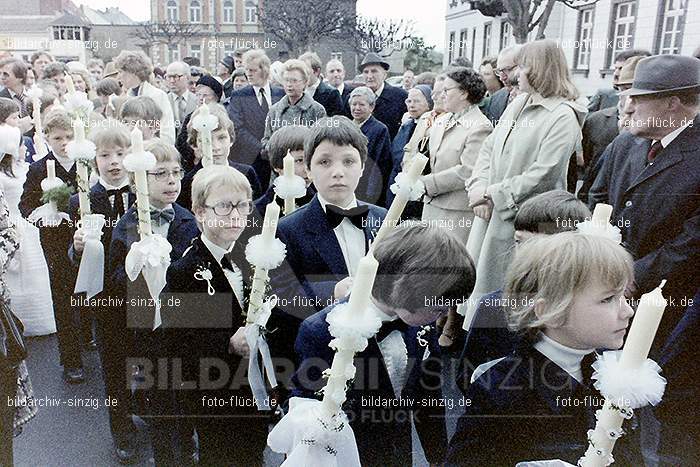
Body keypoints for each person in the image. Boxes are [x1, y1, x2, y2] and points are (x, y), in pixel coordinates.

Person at [292, 222, 475, 466]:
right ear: (405, 288)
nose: (442, 316)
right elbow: (305, 405)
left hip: (398, 453)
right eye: (437, 307)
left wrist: (438, 458)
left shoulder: (420, 324)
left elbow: (428, 398)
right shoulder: (322, 331)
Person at [446, 232, 637, 466]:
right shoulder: (502, 391)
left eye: (624, 296)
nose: (628, 311)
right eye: (607, 299)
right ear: (550, 312)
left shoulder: (608, 374)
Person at [588, 54, 699, 351]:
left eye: (638, 97)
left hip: (666, 306)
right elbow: (596, 198)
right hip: (604, 286)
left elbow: (691, 243)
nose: (627, 106)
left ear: (671, 103)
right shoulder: (625, 143)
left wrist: (631, 275)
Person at [160, 165, 269, 465]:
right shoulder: (184, 270)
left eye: (242, 205)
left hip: (254, 385)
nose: (235, 215)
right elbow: (178, 338)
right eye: (223, 206)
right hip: (214, 390)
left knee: (254, 450)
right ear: (199, 212)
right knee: (221, 454)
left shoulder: (254, 256)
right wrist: (228, 344)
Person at [466, 39, 587, 305]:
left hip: (526, 221)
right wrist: (478, 186)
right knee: (479, 289)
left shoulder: (562, 115)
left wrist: (491, 194)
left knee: (510, 295)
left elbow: (544, 173)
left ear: (541, 69)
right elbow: (489, 147)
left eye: (522, 67)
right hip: (491, 212)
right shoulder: (518, 103)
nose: (514, 74)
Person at [108, 139, 199, 466]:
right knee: (159, 396)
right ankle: (163, 453)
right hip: (147, 330)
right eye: (161, 174)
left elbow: (199, 270)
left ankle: (187, 442)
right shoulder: (126, 226)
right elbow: (114, 279)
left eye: (176, 172)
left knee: (187, 390)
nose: (172, 180)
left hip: (184, 324)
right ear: (138, 181)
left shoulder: (187, 220)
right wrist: (135, 267)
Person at [457, 190, 590, 389]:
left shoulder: (590, 309)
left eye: (539, 245)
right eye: (519, 242)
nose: (526, 255)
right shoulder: (494, 306)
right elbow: (468, 375)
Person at [271, 116, 387, 325]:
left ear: (362, 167)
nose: (338, 173)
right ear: (308, 170)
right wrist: (331, 291)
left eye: (348, 161)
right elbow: (282, 295)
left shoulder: (383, 218)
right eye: (324, 162)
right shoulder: (288, 229)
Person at [67, 122, 137, 463]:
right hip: (108, 300)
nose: (113, 161)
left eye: (121, 154)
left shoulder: (143, 193)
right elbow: (74, 255)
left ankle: (155, 419)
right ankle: (121, 430)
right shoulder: (82, 199)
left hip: (146, 294)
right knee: (114, 366)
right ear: (92, 159)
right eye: (105, 154)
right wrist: (77, 247)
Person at [19, 109, 85, 383]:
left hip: (86, 239)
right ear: (46, 137)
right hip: (56, 243)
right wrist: (44, 214)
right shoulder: (38, 169)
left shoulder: (85, 164)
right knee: (63, 297)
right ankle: (71, 359)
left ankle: (88, 337)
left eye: (69, 136)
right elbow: (25, 205)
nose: (64, 142)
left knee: (88, 294)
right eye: (58, 137)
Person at [422, 67, 492, 244]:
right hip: (431, 205)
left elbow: (468, 171)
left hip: (456, 211)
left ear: (463, 93)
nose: (441, 95)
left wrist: (425, 184)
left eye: (446, 90)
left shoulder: (480, 126)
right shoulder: (442, 120)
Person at [0, 123, 55, 337]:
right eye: (22, 145)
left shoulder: (24, 168)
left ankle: (41, 319)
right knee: (19, 275)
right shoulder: (4, 176)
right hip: (12, 223)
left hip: (27, 224)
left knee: (36, 274)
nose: (25, 149)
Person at [578, 55, 644, 202]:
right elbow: (587, 165)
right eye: (625, 90)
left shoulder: (654, 132)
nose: (629, 100)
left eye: (635, 92)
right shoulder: (596, 121)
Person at [177, 103, 261, 209]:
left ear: (231, 139)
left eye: (222, 138)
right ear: (195, 144)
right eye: (207, 140)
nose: (216, 147)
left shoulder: (247, 173)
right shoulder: (188, 182)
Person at [227, 49, 285, 190]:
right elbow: (237, 128)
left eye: (252, 70)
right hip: (251, 159)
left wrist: (276, 148)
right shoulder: (239, 95)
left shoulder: (280, 93)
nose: (248, 74)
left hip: (278, 158)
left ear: (264, 70)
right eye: (247, 70)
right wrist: (263, 148)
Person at [261, 59, 326, 151]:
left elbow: (321, 142)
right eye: (286, 80)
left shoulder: (317, 110)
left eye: (294, 81)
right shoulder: (275, 110)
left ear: (304, 82)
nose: (289, 85)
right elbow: (266, 140)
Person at [114, 50, 175, 144]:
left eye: (120, 72)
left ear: (132, 71)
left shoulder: (157, 95)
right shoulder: (127, 96)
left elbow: (167, 132)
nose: (118, 77)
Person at [386, 84, 432, 207]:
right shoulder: (406, 125)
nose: (411, 105)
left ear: (428, 103)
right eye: (409, 101)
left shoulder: (431, 127)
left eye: (417, 101)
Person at [254, 124, 315, 217]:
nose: (307, 168)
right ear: (278, 166)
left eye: (311, 159)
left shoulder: (320, 203)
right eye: (299, 160)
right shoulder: (260, 209)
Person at [348, 86, 392, 207]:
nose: (357, 108)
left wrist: (371, 193)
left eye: (361, 104)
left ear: (371, 107)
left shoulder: (379, 129)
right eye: (354, 104)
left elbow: (380, 164)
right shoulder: (346, 127)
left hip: (366, 187)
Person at [359, 52, 408, 139]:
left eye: (374, 71)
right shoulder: (356, 97)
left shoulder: (400, 96)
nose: (369, 76)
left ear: (384, 75)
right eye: (366, 72)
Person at [587, 49, 651, 113]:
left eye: (621, 69)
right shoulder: (604, 95)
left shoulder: (650, 100)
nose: (616, 73)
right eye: (615, 68)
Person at [299, 52, 343, 116]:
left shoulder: (332, 94)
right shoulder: (296, 92)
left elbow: (336, 122)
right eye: (299, 71)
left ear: (317, 71)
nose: (301, 75)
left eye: (305, 71)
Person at [166, 61, 198, 133]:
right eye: (168, 77)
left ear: (187, 77)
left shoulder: (197, 101)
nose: (172, 81)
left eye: (176, 77)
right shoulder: (163, 101)